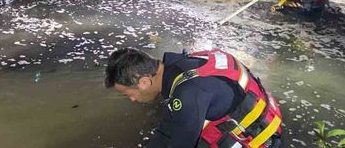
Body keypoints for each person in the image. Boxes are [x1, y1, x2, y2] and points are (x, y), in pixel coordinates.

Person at [105, 48, 283, 147]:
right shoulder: (183, 67)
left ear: (144, 82)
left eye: (129, 94)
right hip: (264, 123)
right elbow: (166, 130)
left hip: (262, 142)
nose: (132, 100)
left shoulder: (189, 93)